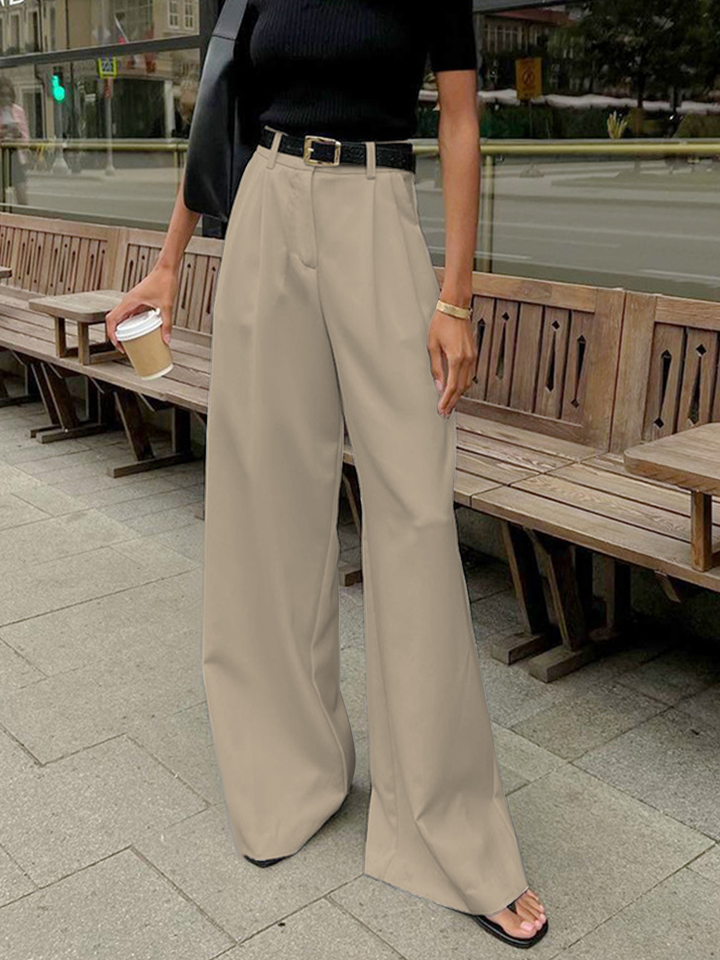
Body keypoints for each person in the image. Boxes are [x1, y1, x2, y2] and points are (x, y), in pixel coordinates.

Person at [105, 0, 549, 948]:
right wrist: (168, 261)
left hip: (379, 211)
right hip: (266, 208)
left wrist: (456, 298)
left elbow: (460, 120)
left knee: (417, 515)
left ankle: (446, 828)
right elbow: (222, 105)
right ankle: (289, 777)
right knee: (265, 504)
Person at [0, 77, 30, 207]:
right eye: (2, 95)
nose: (6, 99)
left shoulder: (18, 111)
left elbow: (26, 138)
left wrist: (17, 134)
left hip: (15, 156)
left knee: (22, 196)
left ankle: (24, 222)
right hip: (1, 156)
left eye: (8, 95)